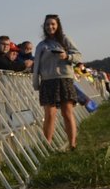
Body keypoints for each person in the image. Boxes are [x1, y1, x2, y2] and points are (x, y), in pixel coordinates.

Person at [33, 14, 83, 149]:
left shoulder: (65, 40)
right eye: (47, 24)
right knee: (50, 114)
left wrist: (67, 56)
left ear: (58, 25)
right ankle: (47, 145)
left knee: (67, 112)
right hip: (48, 81)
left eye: (53, 24)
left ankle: (73, 144)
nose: (50, 27)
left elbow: (78, 56)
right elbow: (36, 64)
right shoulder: (41, 45)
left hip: (64, 79)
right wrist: (36, 82)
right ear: (44, 27)